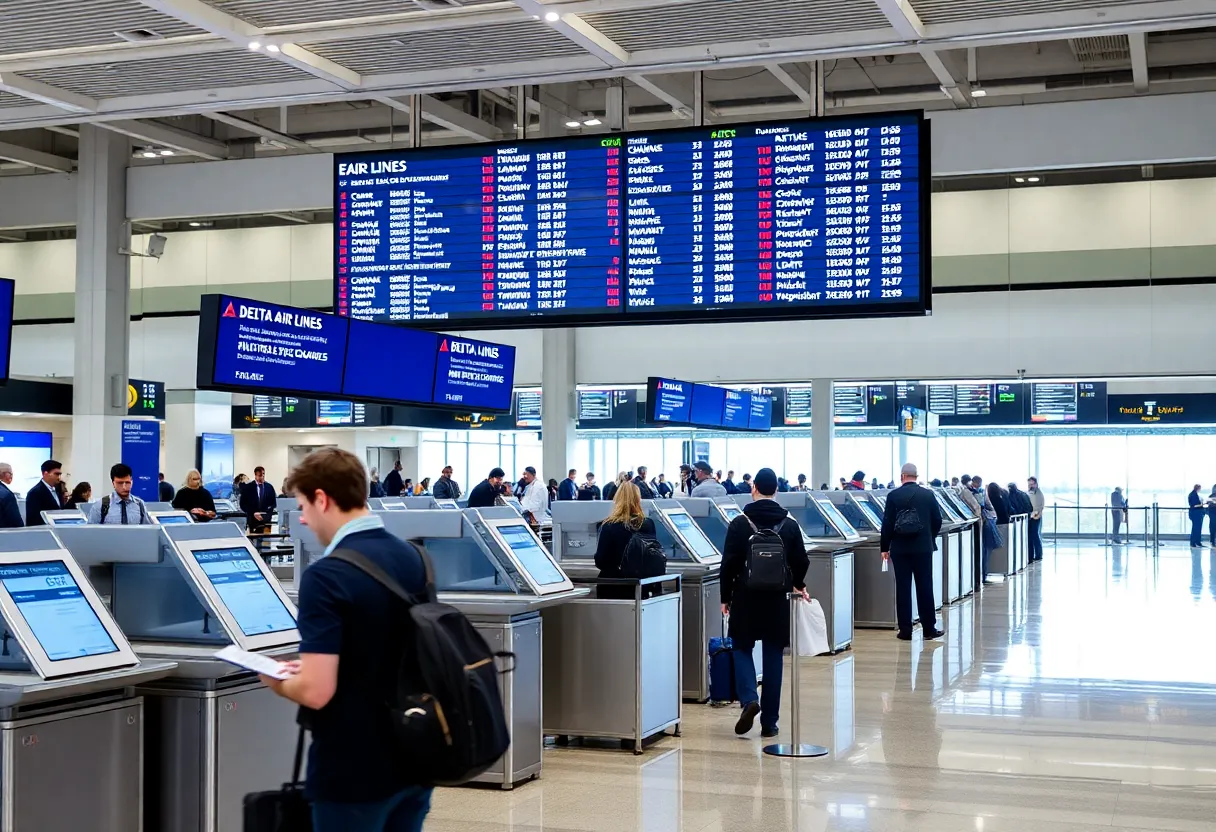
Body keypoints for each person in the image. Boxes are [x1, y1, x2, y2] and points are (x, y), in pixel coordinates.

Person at [258, 448, 431, 832]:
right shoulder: (414, 558)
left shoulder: (327, 576)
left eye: (303, 505)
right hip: (416, 756)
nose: (301, 517)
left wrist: (277, 679)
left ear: (322, 499)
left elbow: (318, 692)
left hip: (353, 766)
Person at [720, 468, 809, 738]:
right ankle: (770, 723)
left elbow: (728, 565)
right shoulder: (789, 525)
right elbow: (802, 561)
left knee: (741, 647)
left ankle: (749, 700)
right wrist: (798, 583)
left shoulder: (739, 523)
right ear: (777, 491)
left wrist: (726, 598)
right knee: (773, 655)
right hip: (777, 600)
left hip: (746, 597)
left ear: (754, 489)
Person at [881, 463, 943, 641]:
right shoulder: (927, 494)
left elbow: (887, 523)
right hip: (923, 548)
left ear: (902, 476)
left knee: (903, 588)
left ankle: (905, 630)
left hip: (900, 548)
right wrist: (929, 537)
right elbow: (937, 519)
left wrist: (885, 547)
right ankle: (929, 629)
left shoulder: (893, 496)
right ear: (916, 476)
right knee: (925, 586)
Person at [594, 482, 659, 598]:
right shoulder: (648, 524)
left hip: (613, 585)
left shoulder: (609, 525)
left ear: (617, 499)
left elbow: (601, 560)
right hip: (640, 583)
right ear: (638, 499)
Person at [87, 463, 154, 525]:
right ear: (113, 483)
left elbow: (149, 530)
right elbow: (91, 533)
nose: (124, 487)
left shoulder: (139, 505)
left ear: (132, 482)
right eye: (120, 483)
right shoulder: (101, 506)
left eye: (127, 482)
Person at [25, 459, 63, 526]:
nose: (59, 477)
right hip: (43, 531)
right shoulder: (35, 493)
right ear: (46, 474)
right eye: (56, 474)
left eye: (60, 474)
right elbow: (33, 519)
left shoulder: (58, 490)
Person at [240, 466, 278, 532]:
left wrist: (266, 514)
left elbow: (274, 503)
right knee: (252, 541)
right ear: (255, 475)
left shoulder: (269, 487)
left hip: (266, 521)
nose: (262, 477)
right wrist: (253, 513)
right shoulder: (248, 488)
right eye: (260, 475)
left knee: (266, 541)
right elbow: (243, 504)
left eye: (263, 474)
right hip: (252, 521)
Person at [1027, 476, 1045, 561]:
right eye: (1029, 484)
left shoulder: (1038, 493)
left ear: (1036, 484)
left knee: (1035, 535)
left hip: (1036, 517)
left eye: (1032, 484)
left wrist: (1036, 514)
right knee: (1031, 536)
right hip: (1031, 516)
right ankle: (1031, 554)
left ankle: (1038, 554)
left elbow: (1039, 506)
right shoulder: (1030, 492)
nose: (1030, 485)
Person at [0, 463, 22, 528]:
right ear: (3, 473)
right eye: (10, 473)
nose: (12, 476)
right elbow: (16, 522)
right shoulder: (7, 495)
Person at [1188, 484, 1204, 548]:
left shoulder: (1194, 494)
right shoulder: (1193, 495)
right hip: (1195, 513)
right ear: (1198, 488)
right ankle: (1193, 542)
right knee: (1195, 528)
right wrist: (1202, 504)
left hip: (1197, 513)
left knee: (1198, 528)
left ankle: (1197, 542)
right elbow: (1194, 505)